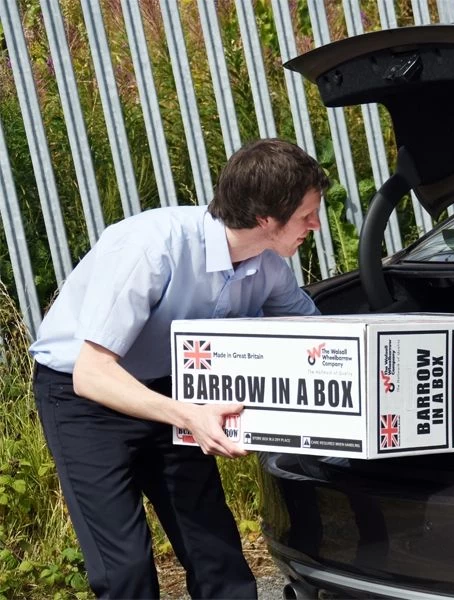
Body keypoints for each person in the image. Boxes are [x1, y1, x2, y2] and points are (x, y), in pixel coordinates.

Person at [28, 138, 329, 599]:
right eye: (308, 214)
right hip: (84, 397)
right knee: (124, 568)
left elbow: (315, 336)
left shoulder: (270, 264)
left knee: (218, 557)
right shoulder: (151, 247)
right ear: (267, 218)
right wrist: (187, 415)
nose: (316, 224)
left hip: (173, 391)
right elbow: (91, 372)